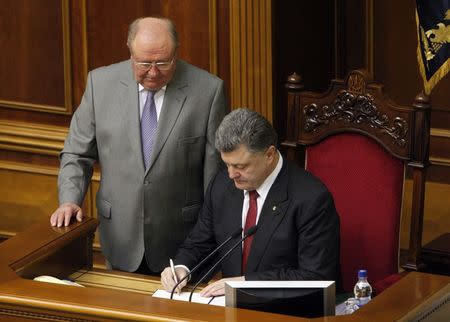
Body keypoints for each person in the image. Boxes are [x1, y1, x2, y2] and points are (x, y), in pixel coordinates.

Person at [50, 17, 228, 274]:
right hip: (119, 236)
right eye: (144, 63)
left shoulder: (208, 91)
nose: (153, 72)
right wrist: (69, 200)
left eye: (163, 63)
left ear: (176, 53)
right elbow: (77, 153)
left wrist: (209, 236)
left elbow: (216, 174)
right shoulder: (100, 84)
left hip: (183, 244)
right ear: (130, 52)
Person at [161, 108, 341, 297]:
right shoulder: (222, 185)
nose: (231, 175)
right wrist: (182, 268)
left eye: (240, 166)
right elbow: (200, 243)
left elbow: (314, 277)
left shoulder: (311, 198)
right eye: (227, 164)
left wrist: (248, 283)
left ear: (269, 155)